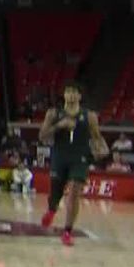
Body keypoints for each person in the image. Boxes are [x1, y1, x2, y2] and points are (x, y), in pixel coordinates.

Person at [39, 81, 109, 246]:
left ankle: (67, 231)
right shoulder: (53, 113)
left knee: (74, 193)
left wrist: (102, 148)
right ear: (64, 95)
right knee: (55, 193)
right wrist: (59, 125)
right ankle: (51, 209)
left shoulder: (89, 116)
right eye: (67, 91)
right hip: (60, 157)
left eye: (73, 92)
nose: (70, 95)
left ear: (79, 96)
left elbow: (96, 136)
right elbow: (42, 136)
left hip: (80, 158)